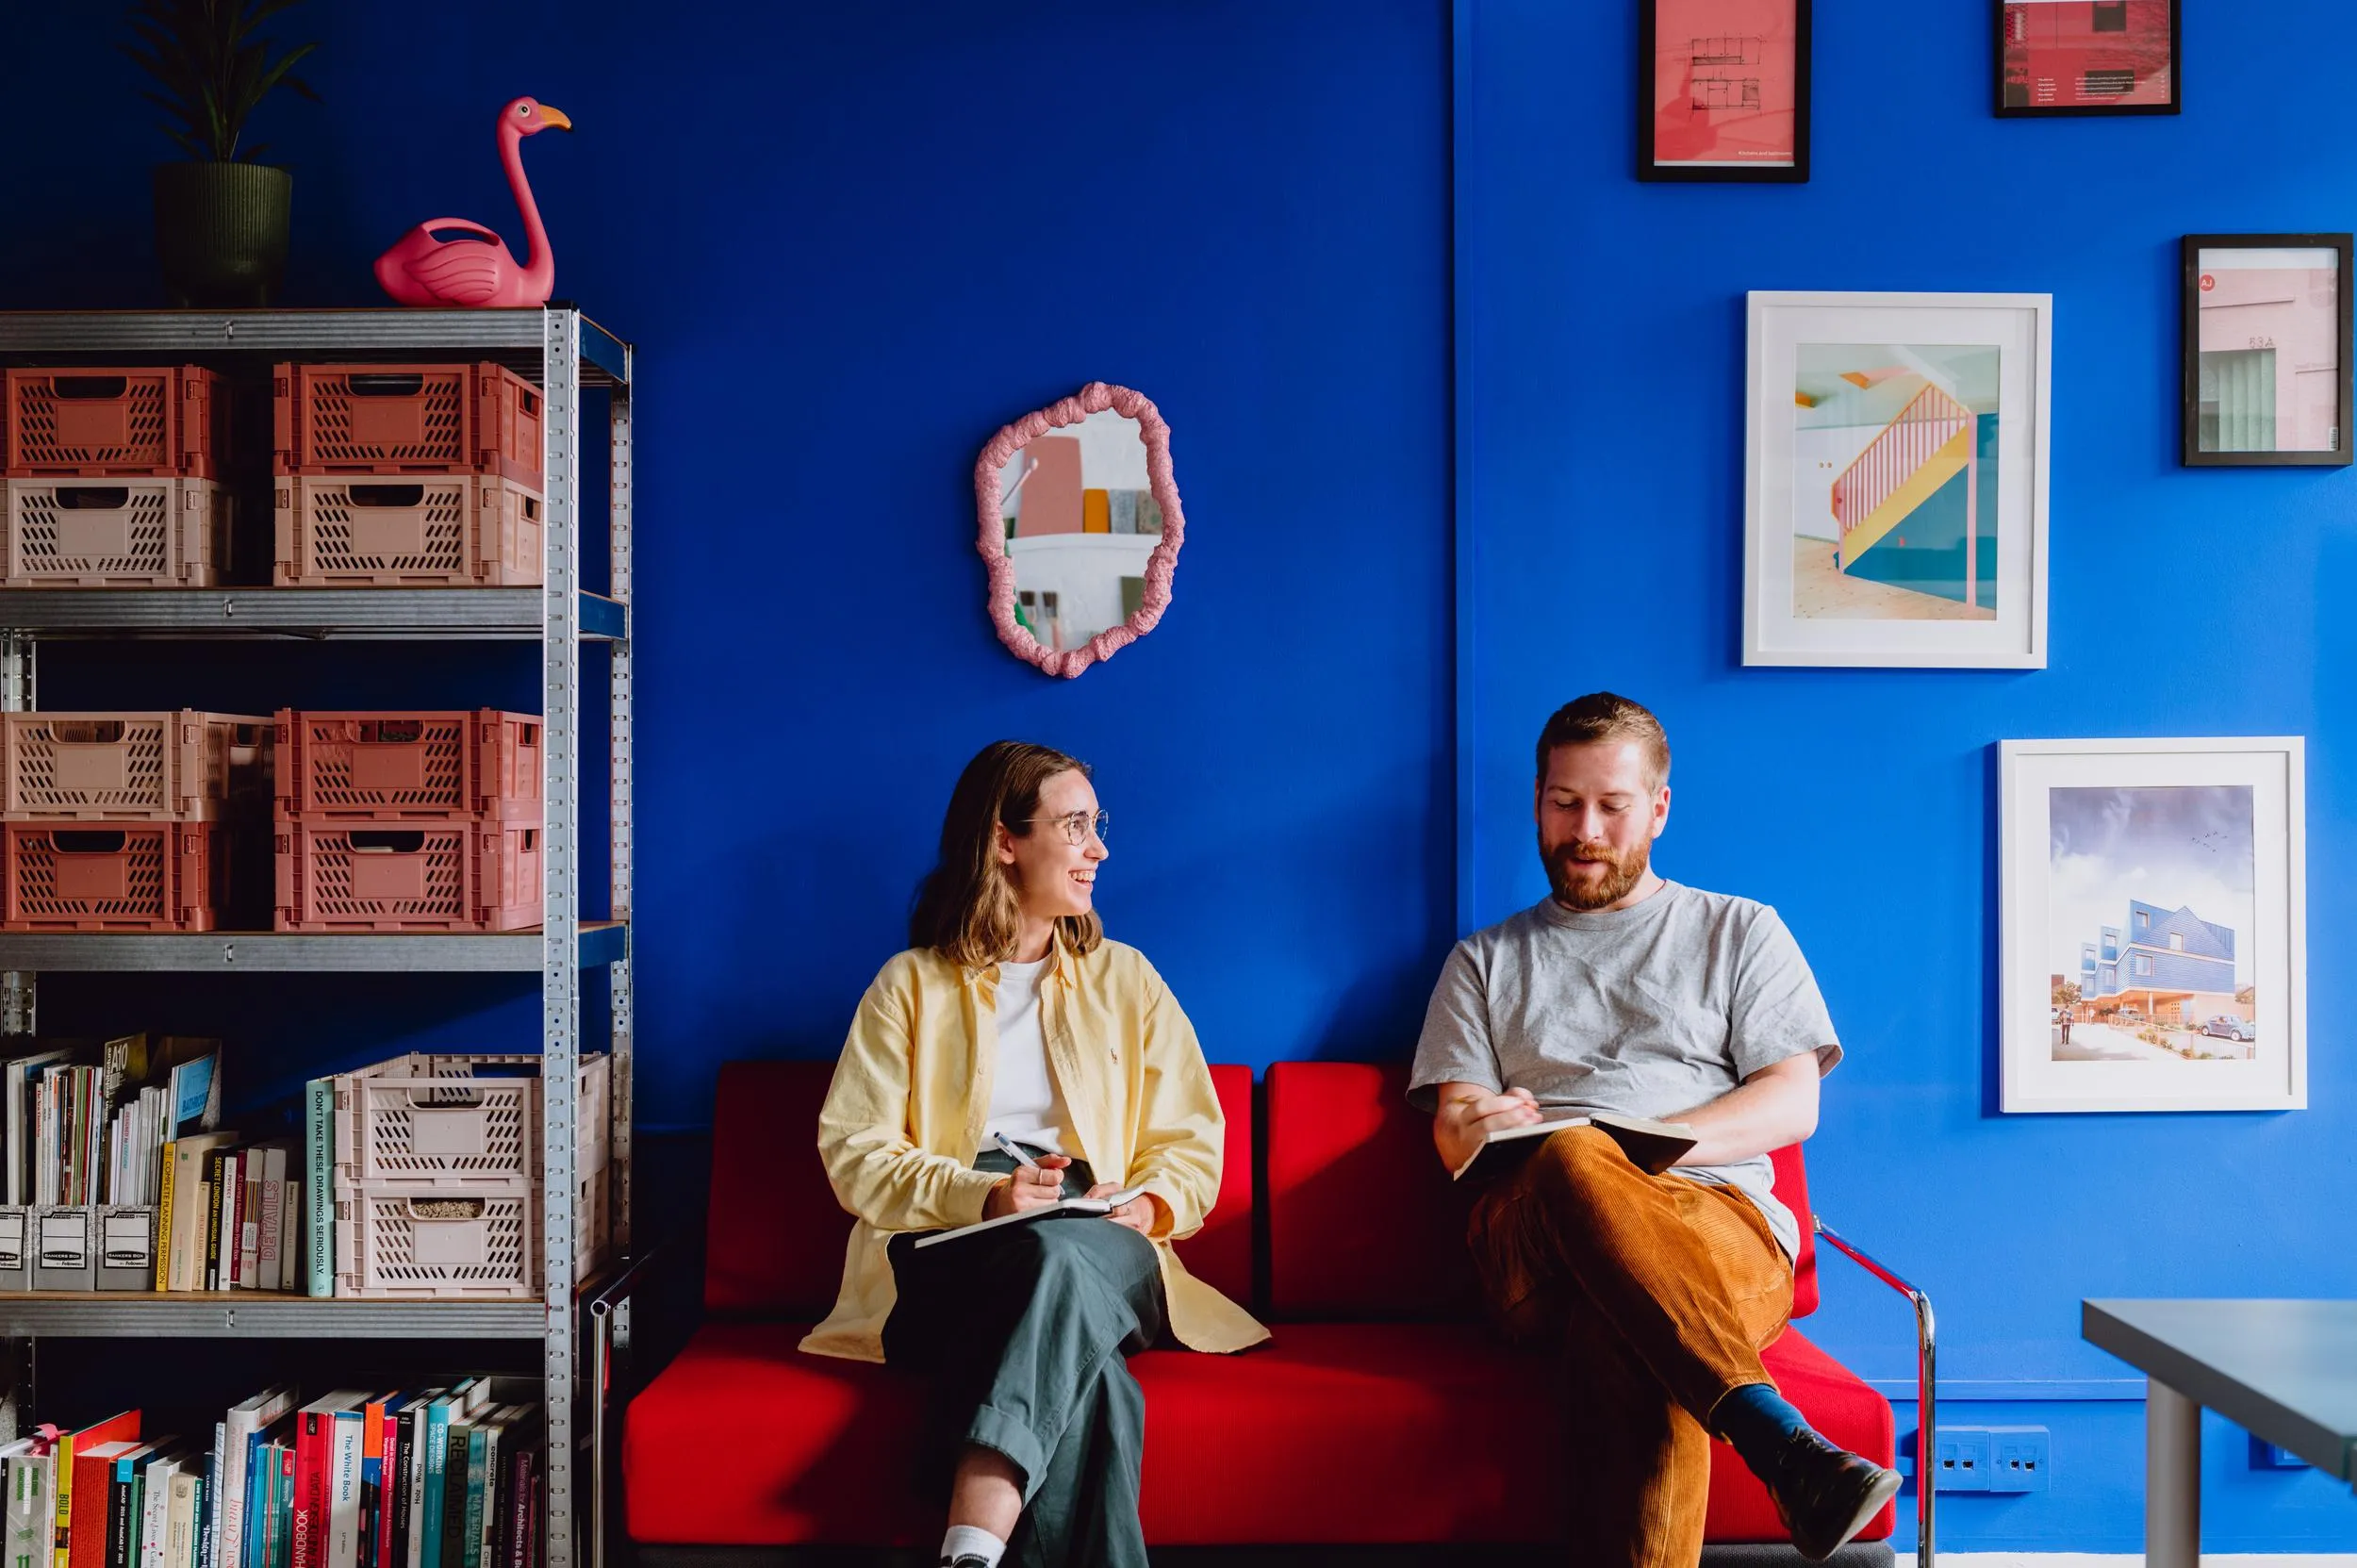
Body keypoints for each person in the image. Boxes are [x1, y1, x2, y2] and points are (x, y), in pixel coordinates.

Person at [1409, 694, 1902, 1567]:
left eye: (1612, 804)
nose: (1585, 828)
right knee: (1572, 1148)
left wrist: (1650, 1144)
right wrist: (1478, 1123)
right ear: (1536, 800)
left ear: (1660, 808)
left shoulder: (1740, 929)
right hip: (1537, 1242)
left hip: (1719, 1225)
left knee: (1626, 1331)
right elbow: (1454, 1132)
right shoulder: (1482, 961)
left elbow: (1794, 1103)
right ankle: (1776, 1438)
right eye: (1564, 802)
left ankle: (1780, 1447)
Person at [802, 740, 1268, 1568]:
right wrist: (979, 1196)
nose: (1100, 848)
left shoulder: (1128, 980)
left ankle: (970, 1545)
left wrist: (1147, 1205)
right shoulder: (908, 986)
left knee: (1061, 1253)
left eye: (1098, 825)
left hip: (1107, 1236)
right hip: (954, 1251)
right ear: (1004, 841)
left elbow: (1193, 1141)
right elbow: (855, 1152)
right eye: (1076, 825)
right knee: (1095, 1385)